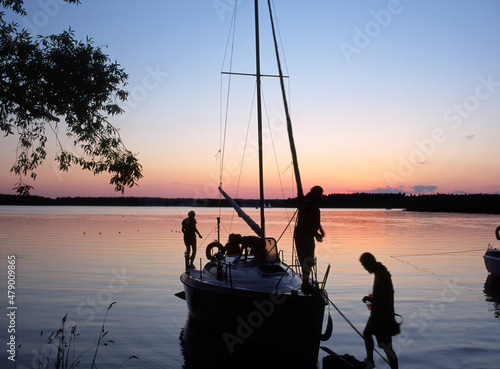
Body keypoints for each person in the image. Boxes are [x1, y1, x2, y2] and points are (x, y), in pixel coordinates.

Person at [360, 252, 399, 369]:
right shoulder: (381, 272)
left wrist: (370, 299)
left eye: (365, 266)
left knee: (385, 346)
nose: (365, 269)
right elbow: (382, 295)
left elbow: (383, 297)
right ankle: (370, 360)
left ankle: (371, 361)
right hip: (381, 314)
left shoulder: (381, 274)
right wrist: (372, 298)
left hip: (382, 316)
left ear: (369, 263)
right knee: (381, 343)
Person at [294, 185, 325, 293]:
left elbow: (315, 220)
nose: (322, 196)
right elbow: (306, 222)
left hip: (307, 235)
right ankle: (305, 284)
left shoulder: (311, 203)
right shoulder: (308, 203)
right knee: (306, 259)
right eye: (320, 194)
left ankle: (306, 282)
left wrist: (320, 230)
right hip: (303, 236)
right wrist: (316, 233)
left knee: (308, 259)